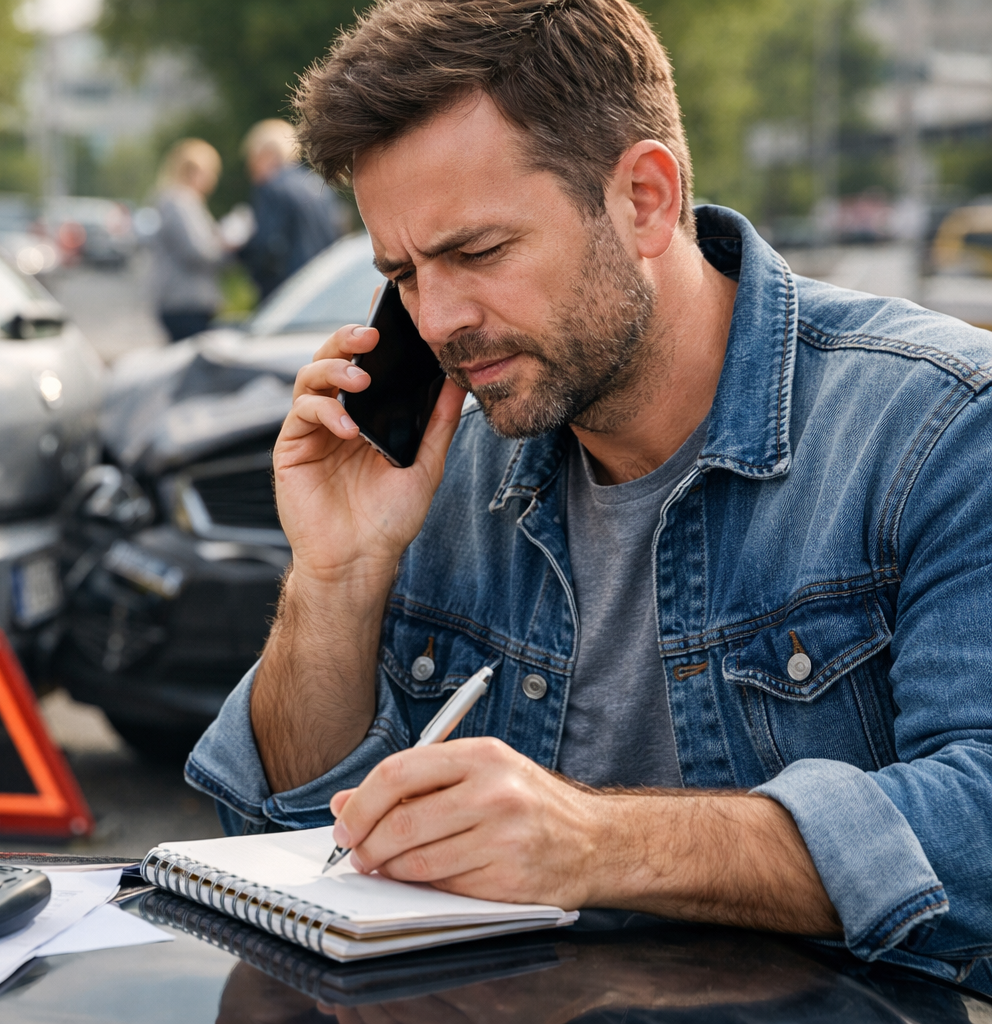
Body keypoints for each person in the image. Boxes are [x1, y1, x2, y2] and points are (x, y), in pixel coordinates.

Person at [186, 0, 992, 994]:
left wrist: (599, 843)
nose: (435, 321)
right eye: (402, 274)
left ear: (645, 200)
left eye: (477, 253)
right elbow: (291, 846)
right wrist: (335, 574)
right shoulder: (446, 462)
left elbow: (981, 825)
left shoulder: (941, 425)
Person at [237, 118, 346, 299]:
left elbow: (267, 246)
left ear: (267, 154)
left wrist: (240, 252)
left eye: (252, 158)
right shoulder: (320, 186)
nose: (250, 168)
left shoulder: (271, 188)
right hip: (323, 285)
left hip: (288, 290)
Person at [151, 138, 230, 342]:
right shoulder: (180, 202)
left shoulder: (180, 201)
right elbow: (197, 251)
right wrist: (227, 247)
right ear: (194, 171)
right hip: (184, 301)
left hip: (183, 300)